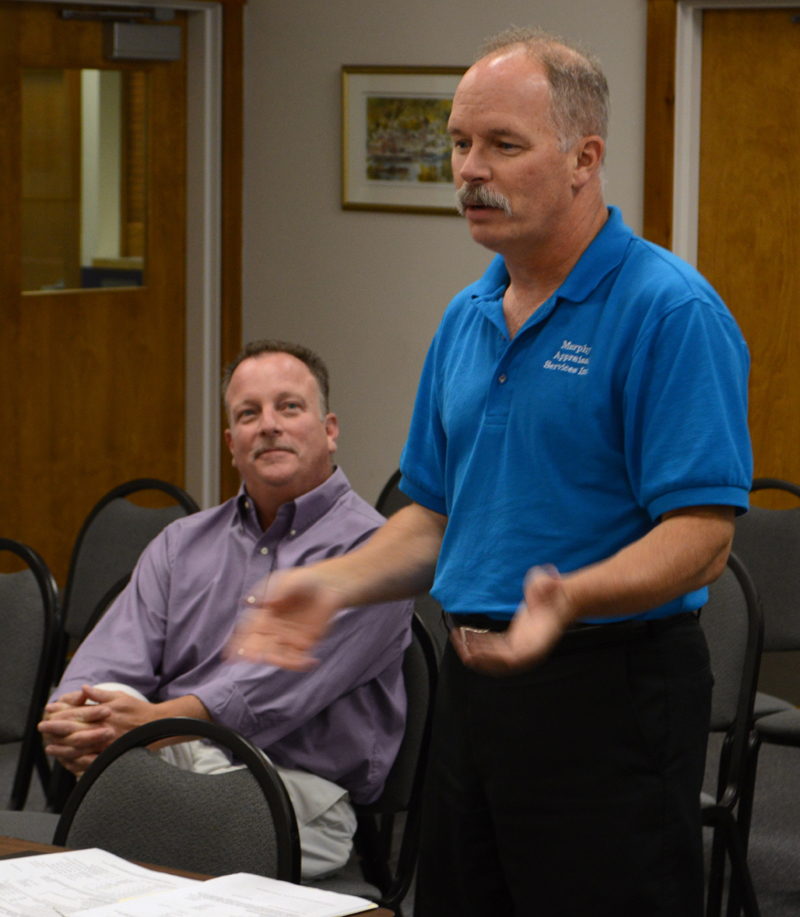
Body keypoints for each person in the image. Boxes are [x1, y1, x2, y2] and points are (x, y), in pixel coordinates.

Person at [228, 28, 753, 917]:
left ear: (584, 158)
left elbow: (702, 538)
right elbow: (432, 517)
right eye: (461, 143)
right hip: (472, 689)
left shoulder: (669, 310)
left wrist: (570, 596)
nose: (470, 169)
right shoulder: (466, 315)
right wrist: (330, 585)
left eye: (503, 145)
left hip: (609, 687)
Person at [39, 339, 414, 880]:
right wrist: (78, 717)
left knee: (119, 829)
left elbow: (265, 698)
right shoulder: (180, 544)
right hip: (167, 763)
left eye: (289, 407)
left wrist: (148, 729)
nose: (268, 425)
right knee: (105, 706)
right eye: (248, 413)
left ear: (329, 429)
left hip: (294, 796)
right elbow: (101, 668)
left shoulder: (375, 557)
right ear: (231, 443)